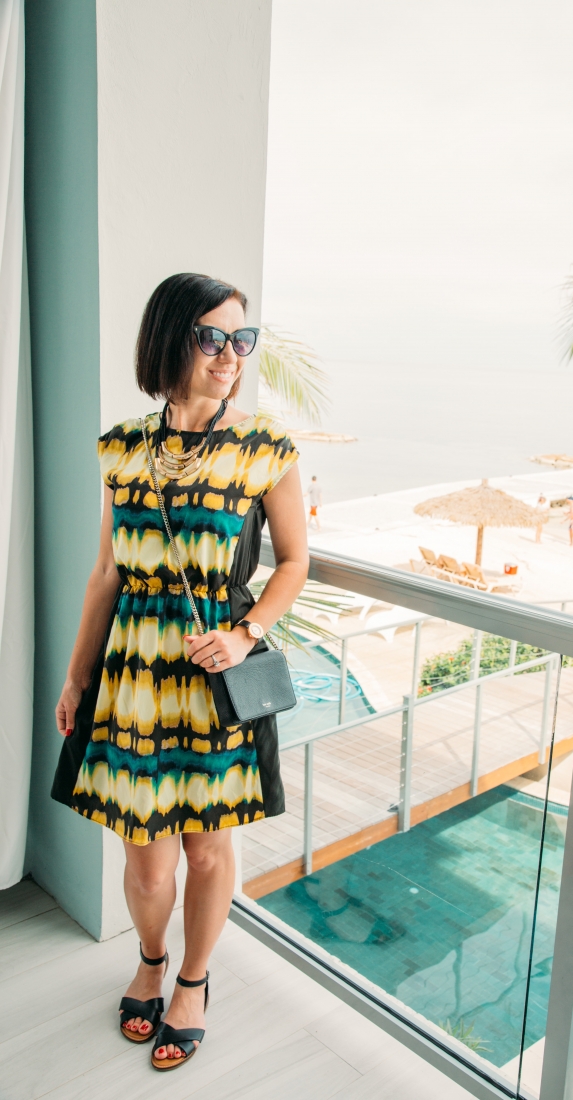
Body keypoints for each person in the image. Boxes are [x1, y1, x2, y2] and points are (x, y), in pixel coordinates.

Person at [52, 273, 308, 1072]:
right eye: (212, 337)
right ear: (170, 339)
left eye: (242, 339)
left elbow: (295, 561)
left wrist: (246, 633)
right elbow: (105, 574)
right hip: (131, 680)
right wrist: (74, 677)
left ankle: (192, 982)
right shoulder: (122, 446)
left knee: (204, 853)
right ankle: (151, 957)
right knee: (145, 859)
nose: (231, 354)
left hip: (211, 683)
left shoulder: (265, 447)